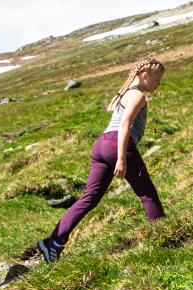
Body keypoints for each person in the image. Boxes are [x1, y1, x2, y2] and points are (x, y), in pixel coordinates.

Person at [34, 58, 167, 262]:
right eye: (157, 79)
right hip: (117, 144)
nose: (159, 84)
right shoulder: (138, 95)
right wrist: (121, 159)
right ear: (145, 76)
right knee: (146, 192)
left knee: (89, 197)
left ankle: (54, 242)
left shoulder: (124, 93)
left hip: (101, 145)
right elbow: (124, 126)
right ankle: (164, 235)